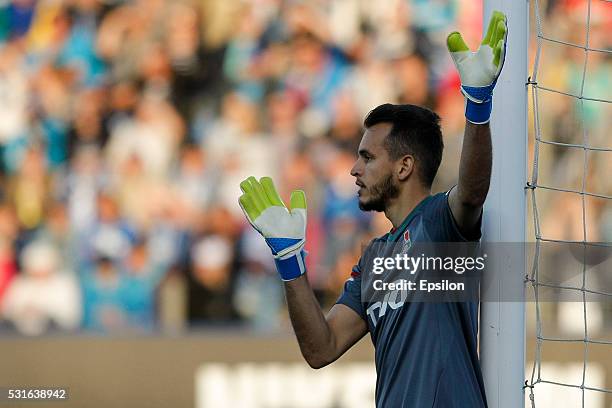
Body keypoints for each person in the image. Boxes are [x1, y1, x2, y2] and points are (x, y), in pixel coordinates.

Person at [238, 12, 508, 408]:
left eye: (367, 157)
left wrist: (478, 107)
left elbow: (471, 193)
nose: (354, 169)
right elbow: (321, 349)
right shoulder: (374, 260)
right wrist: (289, 259)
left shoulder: (439, 224)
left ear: (404, 166)